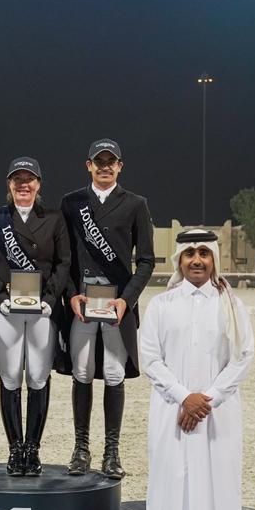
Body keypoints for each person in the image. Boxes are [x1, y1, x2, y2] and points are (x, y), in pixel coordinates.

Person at [140, 229, 255, 510]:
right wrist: (182, 398)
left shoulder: (231, 305)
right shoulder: (161, 304)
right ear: (178, 260)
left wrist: (207, 400)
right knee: (170, 493)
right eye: (189, 253)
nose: (197, 260)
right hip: (171, 416)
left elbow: (242, 358)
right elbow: (151, 360)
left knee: (217, 492)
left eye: (204, 253)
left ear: (214, 259)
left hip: (216, 418)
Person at [59, 139, 155, 478]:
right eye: (98, 161)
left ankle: (111, 452)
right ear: (88, 165)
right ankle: (80, 448)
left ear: (120, 166)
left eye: (110, 161)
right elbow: (64, 258)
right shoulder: (72, 203)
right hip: (83, 303)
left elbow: (146, 261)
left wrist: (126, 300)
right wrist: (70, 294)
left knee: (114, 374)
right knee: (82, 372)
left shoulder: (135, 204)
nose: (104, 166)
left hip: (116, 304)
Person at [0, 157, 70, 477]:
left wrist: (49, 299)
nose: (23, 185)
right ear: (9, 185)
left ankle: (33, 449)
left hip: (42, 310)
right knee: (11, 378)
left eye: (29, 179)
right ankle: (15, 449)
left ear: (38, 184)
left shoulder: (56, 219)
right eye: (17, 179)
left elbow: (63, 264)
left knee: (38, 379)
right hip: (8, 311)